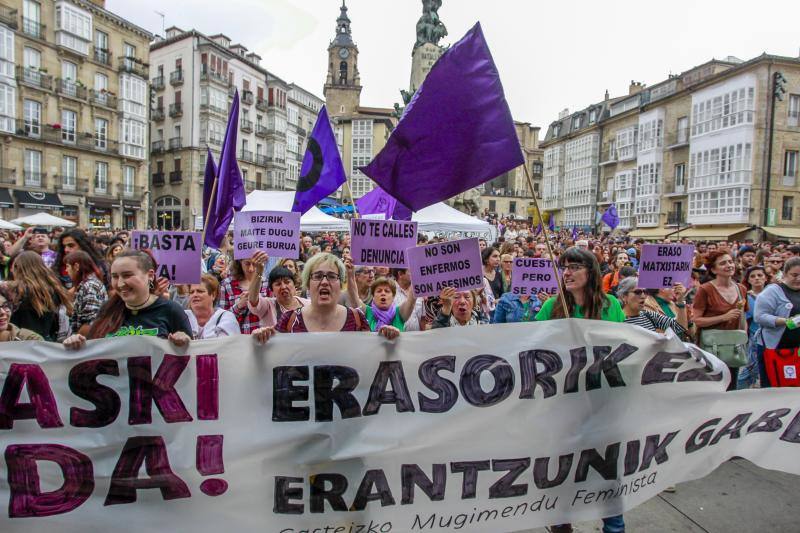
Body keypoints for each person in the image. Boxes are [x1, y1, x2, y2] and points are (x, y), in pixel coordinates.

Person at [535, 246, 625, 533]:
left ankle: (614, 526)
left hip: (603, 400)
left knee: (608, 468)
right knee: (562, 468)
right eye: (565, 267)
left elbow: (625, 345)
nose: (567, 272)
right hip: (564, 401)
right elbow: (532, 347)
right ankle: (561, 524)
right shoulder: (552, 306)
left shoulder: (611, 305)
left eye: (574, 267)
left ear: (591, 272)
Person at [63, 249, 192, 349]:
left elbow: (190, 361)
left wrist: (185, 342)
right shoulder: (107, 309)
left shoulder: (171, 310)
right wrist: (76, 343)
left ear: (150, 275)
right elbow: (92, 354)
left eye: (127, 275)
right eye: (115, 276)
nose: (120, 284)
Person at [255, 253, 397, 341]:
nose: (324, 282)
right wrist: (261, 338)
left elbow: (370, 357)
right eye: (317, 276)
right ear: (308, 284)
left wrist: (387, 340)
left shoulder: (356, 319)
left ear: (340, 284)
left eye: (331, 276)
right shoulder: (289, 320)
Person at [692, 250, 748, 390]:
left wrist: (743, 336)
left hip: (733, 346)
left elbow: (743, 317)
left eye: (730, 262)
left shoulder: (741, 288)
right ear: (713, 270)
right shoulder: (705, 290)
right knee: (713, 388)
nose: (729, 265)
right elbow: (697, 320)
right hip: (712, 347)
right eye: (723, 263)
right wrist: (723, 317)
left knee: (731, 387)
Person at [5, 251, 72, 341]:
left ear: (18, 268)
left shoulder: (13, 290)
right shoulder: (53, 288)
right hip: (45, 341)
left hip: (20, 341)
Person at [754, 257, 800, 387]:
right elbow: (759, 316)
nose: (798, 279)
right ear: (785, 274)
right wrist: (785, 321)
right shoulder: (772, 291)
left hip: (797, 350)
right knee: (773, 387)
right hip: (774, 348)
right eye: (794, 275)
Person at [345, 257, 416, 333]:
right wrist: (350, 273)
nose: (383, 293)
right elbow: (353, 295)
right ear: (373, 296)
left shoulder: (399, 313)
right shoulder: (367, 312)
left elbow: (412, 299)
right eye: (379, 291)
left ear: (393, 296)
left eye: (387, 291)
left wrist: (416, 271)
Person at [247, 252, 309, 328]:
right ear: (272, 289)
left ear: (294, 284)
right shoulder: (268, 306)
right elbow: (253, 300)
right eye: (278, 284)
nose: (283, 287)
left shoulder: (308, 304)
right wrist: (259, 271)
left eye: (287, 282)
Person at [617, 277, 688, 337]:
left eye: (645, 292)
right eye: (637, 292)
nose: (643, 296)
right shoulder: (616, 321)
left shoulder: (649, 315)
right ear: (623, 296)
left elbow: (679, 327)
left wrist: (681, 300)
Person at [219, 256, 267, 334]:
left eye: (255, 264)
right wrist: (238, 306)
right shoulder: (226, 284)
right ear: (240, 262)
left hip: (261, 337)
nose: (251, 269)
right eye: (247, 264)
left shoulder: (265, 282)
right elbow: (222, 318)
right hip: (237, 337)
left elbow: (272, 313)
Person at [64, 250, 108, 335]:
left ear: (76, 266)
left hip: (87, 340)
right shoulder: (86, 284)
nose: (66, 270)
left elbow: (90, 323)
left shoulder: (90, 286)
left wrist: (76, 339)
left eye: (67, 266)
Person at [739, 265, 769, 388]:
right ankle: (740, 392)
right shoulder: (745, 297)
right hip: (754, 337)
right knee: (750, 368)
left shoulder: (774, 295)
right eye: (753, 276)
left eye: (760, 275)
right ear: (748, 280)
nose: (756, 278)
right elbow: (745, 319)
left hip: (772, 336)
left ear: (766, 278)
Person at [185, 274, 239, 339]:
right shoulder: (182, 316)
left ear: (213, 295)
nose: (195, 295)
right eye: (191, 292)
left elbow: (228, 343)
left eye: (200, 291)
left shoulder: (226, 317)